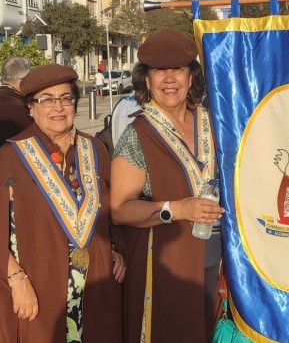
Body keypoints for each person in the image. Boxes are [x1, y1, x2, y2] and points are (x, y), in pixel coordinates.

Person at [0, 64, 125, 342]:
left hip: (96, 287)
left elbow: (110, 208)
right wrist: (16, 279)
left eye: (66, 98)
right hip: (41, 286)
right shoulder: (11, 157)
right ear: (30, 108)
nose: (58, 108)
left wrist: (116, 248)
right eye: (46, 100)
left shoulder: (95, 149)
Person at [110, 29, 224, 343]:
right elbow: (120, 209)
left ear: (192, 77)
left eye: (178, 69)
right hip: (166, 265)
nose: (169, 79)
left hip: (219, 257)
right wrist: (176, 209)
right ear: (146, 80)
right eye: (159, 71)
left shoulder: (214, 122)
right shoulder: (138, 134)